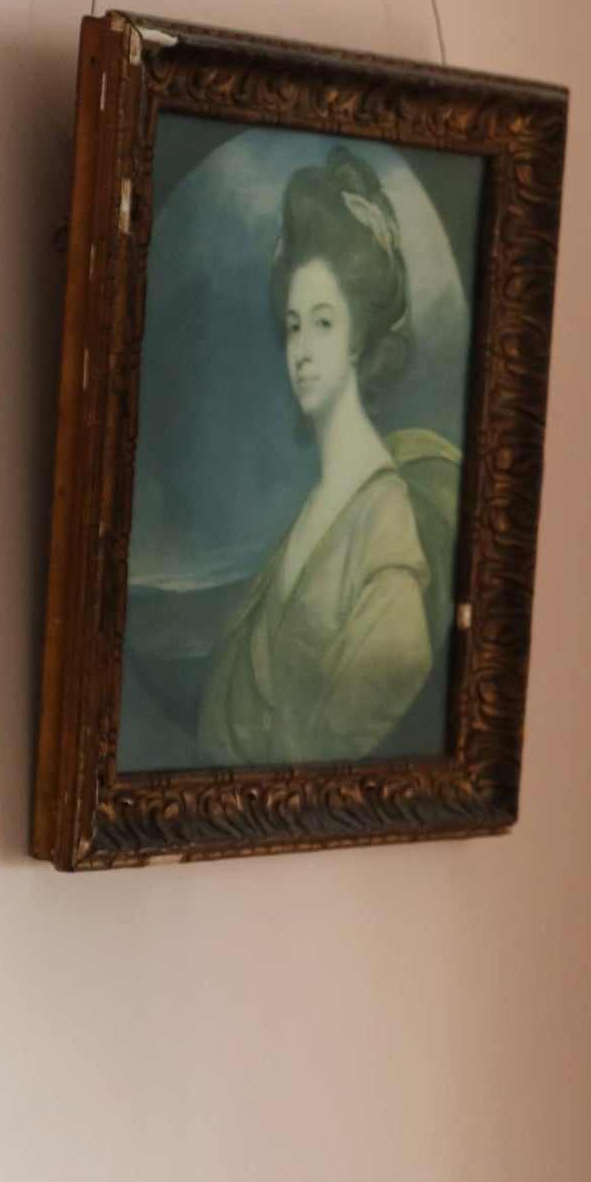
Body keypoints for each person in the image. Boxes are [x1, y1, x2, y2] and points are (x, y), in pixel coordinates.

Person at [200, 147, 462, 765]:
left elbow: (357, 733)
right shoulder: (318, 507)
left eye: (323, 323)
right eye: (292, 326)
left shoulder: (385, 525)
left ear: (358, 339)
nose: (302, 350)